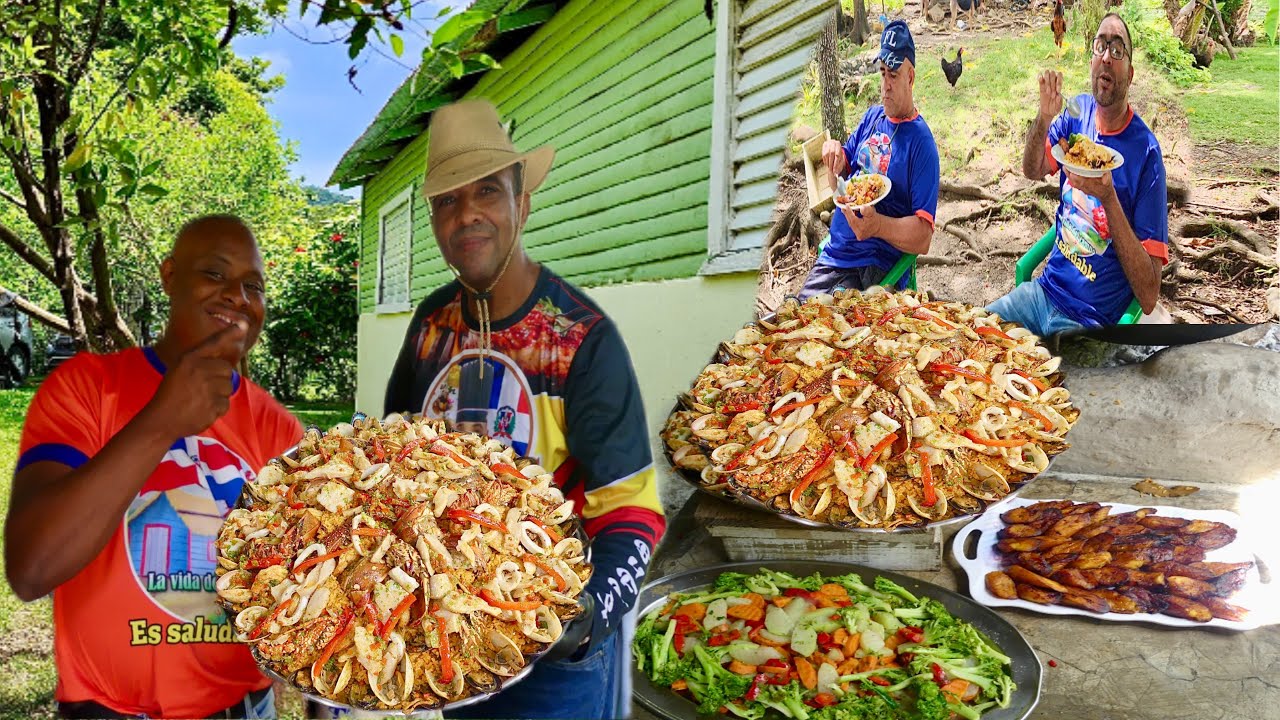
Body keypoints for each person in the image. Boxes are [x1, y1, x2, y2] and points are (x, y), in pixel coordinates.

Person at [381, 99, 665, 719]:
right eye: (447, 201)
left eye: (486, 191)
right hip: (439, 647)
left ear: (522, 203)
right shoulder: (429, 328)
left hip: (548, 665)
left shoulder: (581, 340)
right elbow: (391, 465)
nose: (467, 215)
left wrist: (588, 614)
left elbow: (634, 510)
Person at [5, 216, 301, 719]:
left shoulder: (279, 429)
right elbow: (32, 568)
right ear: (169, 276)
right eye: (215, 273)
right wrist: (160, 423)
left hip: (247, 709)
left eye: (254, 285)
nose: (237, 295)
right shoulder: (89, 388)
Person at [988, 13, 1167, 337]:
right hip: (1041, 295)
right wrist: (1043, 117)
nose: (1107, 58)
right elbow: (1032, 169)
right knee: (972, 335)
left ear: (1130, 73)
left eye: (1118, 50)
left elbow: (1149, 295)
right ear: (1091, 61)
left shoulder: (1146, 154)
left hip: (1087, 321)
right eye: (1101, 46)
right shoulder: (1076, 113)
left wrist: (1108, 198)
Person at [800, 20, 939, 301]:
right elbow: (840, 187)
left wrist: (877, 227)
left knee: (825, 328)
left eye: (894, 75)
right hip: (835, 256)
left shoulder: (921, 144)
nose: (885, 85)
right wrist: (833, 158)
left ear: (910, 77)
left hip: (873, 267)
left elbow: (923, 237)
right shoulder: (871, 118)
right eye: (883, 73)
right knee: (792, 324)